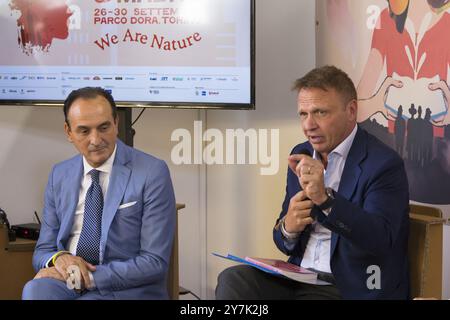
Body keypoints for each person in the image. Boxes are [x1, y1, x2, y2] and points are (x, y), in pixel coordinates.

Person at [215, 66, 410, 300]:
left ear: (351, 110)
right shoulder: (302, 153)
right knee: (234, 279)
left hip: (348, 286)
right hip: (298, 277)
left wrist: (326, 200)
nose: (309, 125)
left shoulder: (383, 164)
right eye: (303, 114)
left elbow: (380, 239)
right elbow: (283, 240)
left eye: (320, 113)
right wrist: (288, 227)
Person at [22, 87, 176, 300]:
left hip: (126, 289)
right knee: (34, 290)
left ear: (116, 123)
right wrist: (59, 259)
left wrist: (86, 277)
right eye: (84, 131)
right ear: (68, 132)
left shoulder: (152, 172)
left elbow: (154, 262)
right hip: (68, 281)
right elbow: (43, 251)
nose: (96, 140)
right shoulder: (60, 174)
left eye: (104, 127)